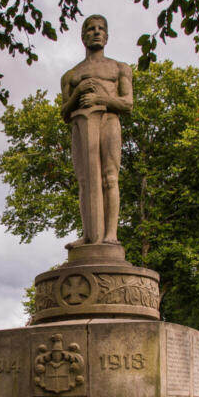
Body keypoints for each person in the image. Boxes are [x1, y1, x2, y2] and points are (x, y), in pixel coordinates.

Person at [60, 14, 133, 248]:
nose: (96, 32)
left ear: (107, 36)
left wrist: (100, 98)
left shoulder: (120, 68)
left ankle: (110, 234)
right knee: (84, 180)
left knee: (109, 178)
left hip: (109, 122)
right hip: (81, 127)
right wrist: (78, 91)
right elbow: (64, 112)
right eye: (91, 29)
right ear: (83, 36)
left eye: (101, 28)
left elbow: (128, 104)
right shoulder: (71, 75)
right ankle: (90, 234)